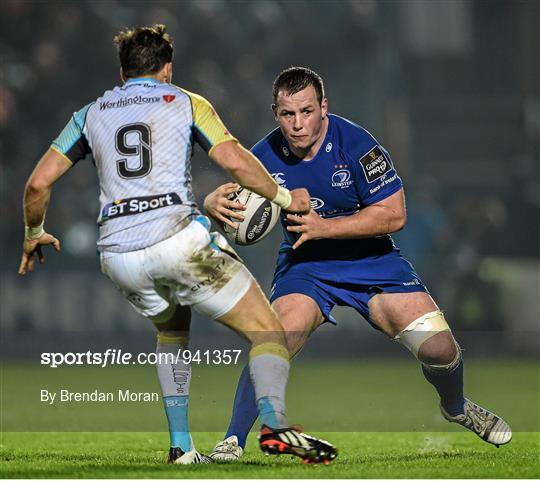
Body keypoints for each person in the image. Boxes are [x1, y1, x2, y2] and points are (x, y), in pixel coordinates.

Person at [18, 27, 337, 465]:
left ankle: (182, 448)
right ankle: (274, 426)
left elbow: (37, 183)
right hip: (176, 238)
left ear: (122, 71)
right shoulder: (185, 101)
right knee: (269, 332)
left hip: (116, 254)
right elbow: (235, 161)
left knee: (171, 330)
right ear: (167, 68)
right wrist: (285, 198)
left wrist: (34, 232)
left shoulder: (88, 114)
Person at [204, 66, 512, 460]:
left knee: (439, 349)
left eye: (306, 111)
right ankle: (233, 439)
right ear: (275, 113)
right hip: (307, 267)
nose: (298, 124)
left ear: (323, 108)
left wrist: (324, 227)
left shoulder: (357, 144)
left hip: (373, 262)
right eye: (287, 114)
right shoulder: (262, 157)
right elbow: (230, 199)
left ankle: (455, 406)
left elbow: (394, 214)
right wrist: (211, 205)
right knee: (275, 336)